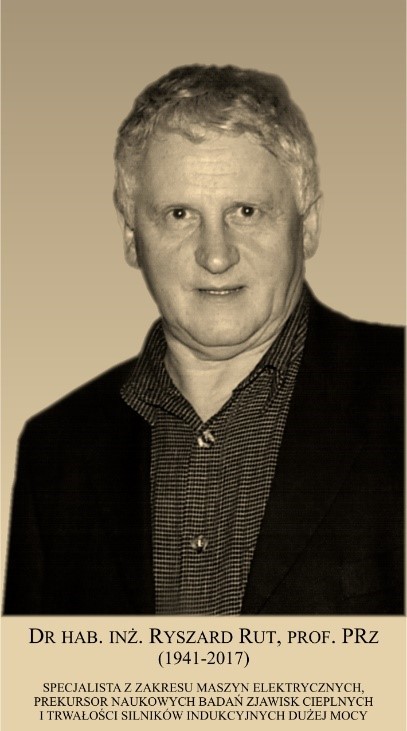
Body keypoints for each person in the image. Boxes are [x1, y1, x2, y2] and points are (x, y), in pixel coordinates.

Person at [4, 65, 403, 615]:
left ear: (307, 224)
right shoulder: (55, 451)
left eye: (246, 211)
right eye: (179, 214)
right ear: (131, 236)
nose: (216, 255)